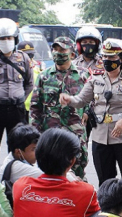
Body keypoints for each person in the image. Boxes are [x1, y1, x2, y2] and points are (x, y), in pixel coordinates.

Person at [60, 38, 122, 184]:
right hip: (101, 137)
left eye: (112, 56)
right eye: (105, 56)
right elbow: (81, 100)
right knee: (105, 180)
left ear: (121, 58)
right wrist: (69, 99)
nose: (107, 60)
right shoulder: (95, 77)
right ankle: (108, 207)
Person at [30, 36, 89, 179]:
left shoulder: (83, 75)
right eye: (55, 49)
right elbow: (35, 107)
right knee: (51, 170)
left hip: (75, 131)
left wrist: (87, 112)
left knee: (78, 168)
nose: (58, 52)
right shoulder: (44, 76)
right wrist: (35, 134)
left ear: (72, 54)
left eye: (62, 49)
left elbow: (92, 99)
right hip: (50, 132)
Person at [0, 18, 33, 173]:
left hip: (17, 109)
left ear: (15, 39)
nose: (6, 41)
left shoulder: (23, 58)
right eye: (2, 38)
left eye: (9, 38)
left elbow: (29, 83)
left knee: (18, 148)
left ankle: (15, 181)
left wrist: (20, 98)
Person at [19, 40, 40, 110]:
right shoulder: (14, 70)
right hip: (20, 108)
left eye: (31, 55)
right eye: (26, 56)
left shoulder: (38, 69)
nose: (28, 58)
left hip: (34, 108)